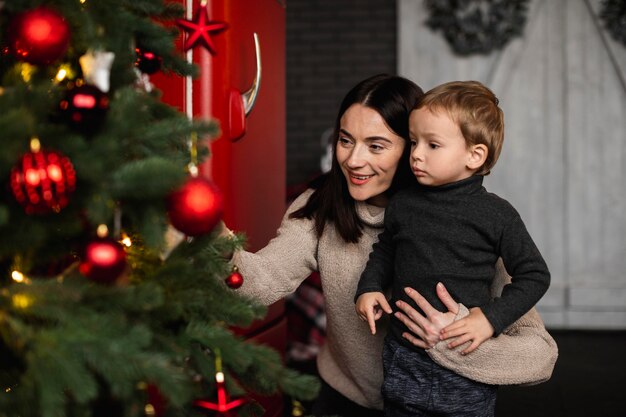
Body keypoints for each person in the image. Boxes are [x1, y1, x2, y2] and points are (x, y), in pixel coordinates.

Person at [223, 75, 557, 417]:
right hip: (345, 401)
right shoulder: (319, 207)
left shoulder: (471, 221)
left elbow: (539, 357)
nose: (353, 160)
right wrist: (205, 233)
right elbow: (252, 287)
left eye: (377, 145)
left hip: (448, 400)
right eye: (345, 140)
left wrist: (452, 340)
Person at [355, 80, 551, 417]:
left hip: (463, 369)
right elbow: (386, 249)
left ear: (475, 155)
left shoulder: (497, 214)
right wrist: (369, 287)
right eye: (414, 142)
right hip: (402, 359)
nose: (415, 154)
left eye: (433, 145)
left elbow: (535, 275)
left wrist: (489, 320)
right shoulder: (403, 203)